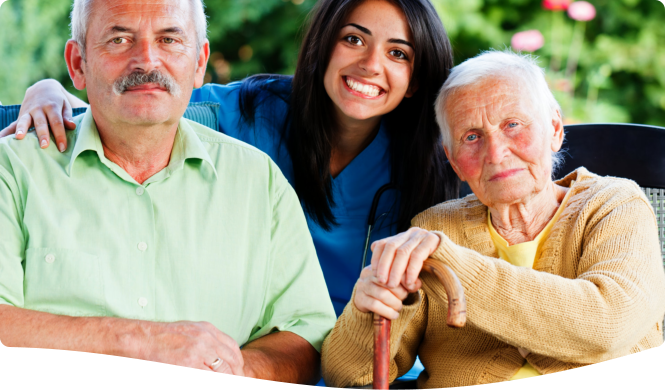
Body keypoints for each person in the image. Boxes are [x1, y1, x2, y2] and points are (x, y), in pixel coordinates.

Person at [0, 0, 460, 317]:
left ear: (416, 78)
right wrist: (50, 92)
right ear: (323, 46)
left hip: (366, 354)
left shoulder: (432, 163)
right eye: (354, 40)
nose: (370, 65)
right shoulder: (251, 112)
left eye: (398, 53)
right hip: (264, 341)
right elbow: (145, 97)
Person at [0, 0, 336, 384]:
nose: (146, 60)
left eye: (169, 39)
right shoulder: (11, 170)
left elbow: (305, 335)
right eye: (120, 39)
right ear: (78, 64)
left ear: (199, 62)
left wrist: (229, 368)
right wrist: (144, 343)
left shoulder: (260, 182)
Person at [321, 50, 665, 388]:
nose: (496, 153)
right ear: (453, 160)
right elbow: (349, 376)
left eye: (513, 125)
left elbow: (608, 326)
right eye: (471, 137)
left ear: (555, 129)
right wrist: (368, 314)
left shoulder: (615, 205)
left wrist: (450, 263)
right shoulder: (434, 228)